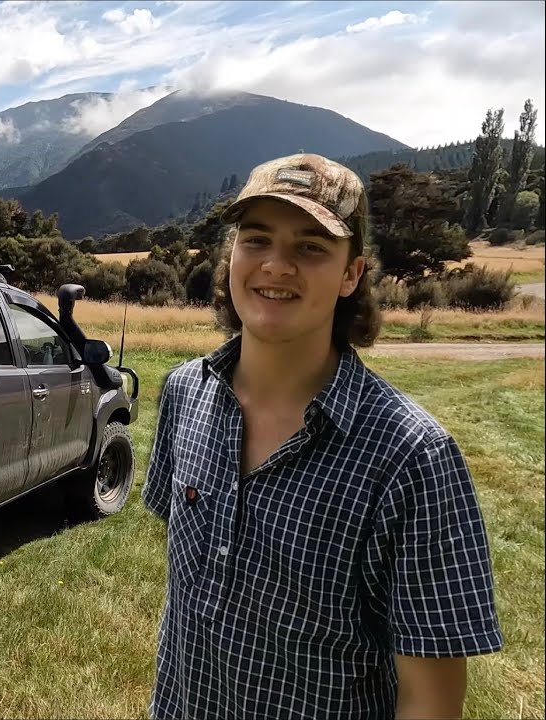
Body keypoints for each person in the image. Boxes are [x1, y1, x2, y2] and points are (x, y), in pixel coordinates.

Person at [141, 153, 504, 719]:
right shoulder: (185, 393)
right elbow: (188, 599)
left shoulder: (412, 458)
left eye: (311, 246)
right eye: (256, 239)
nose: (276, 266)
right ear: (231, 255)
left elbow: (430, 700)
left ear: (351, 274)